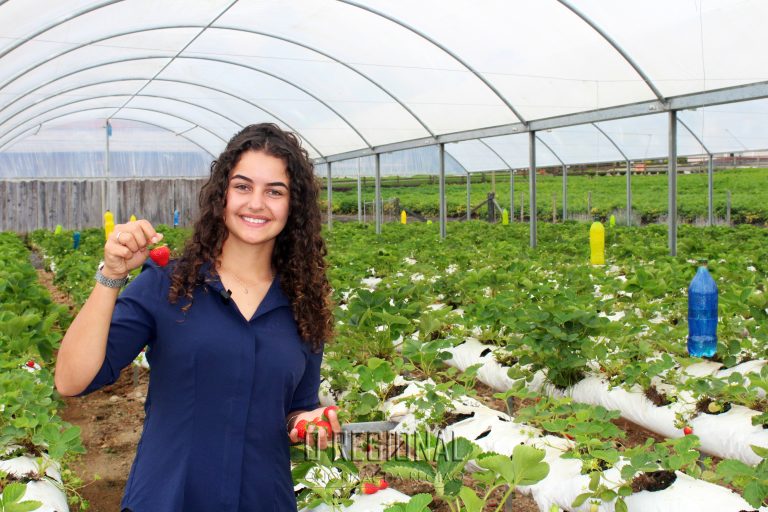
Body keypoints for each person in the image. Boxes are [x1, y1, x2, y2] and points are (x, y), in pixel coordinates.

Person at [54, 123, 340, 512]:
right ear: (222, 195)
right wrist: (112, 275)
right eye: (242, 186)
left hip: (261, 499)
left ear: (294, 207)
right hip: (168, 497)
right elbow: (72, 380)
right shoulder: (168, 283)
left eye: (275, 191)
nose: (256, 202)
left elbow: (298, 407)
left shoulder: (302, 303)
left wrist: (310, 422)